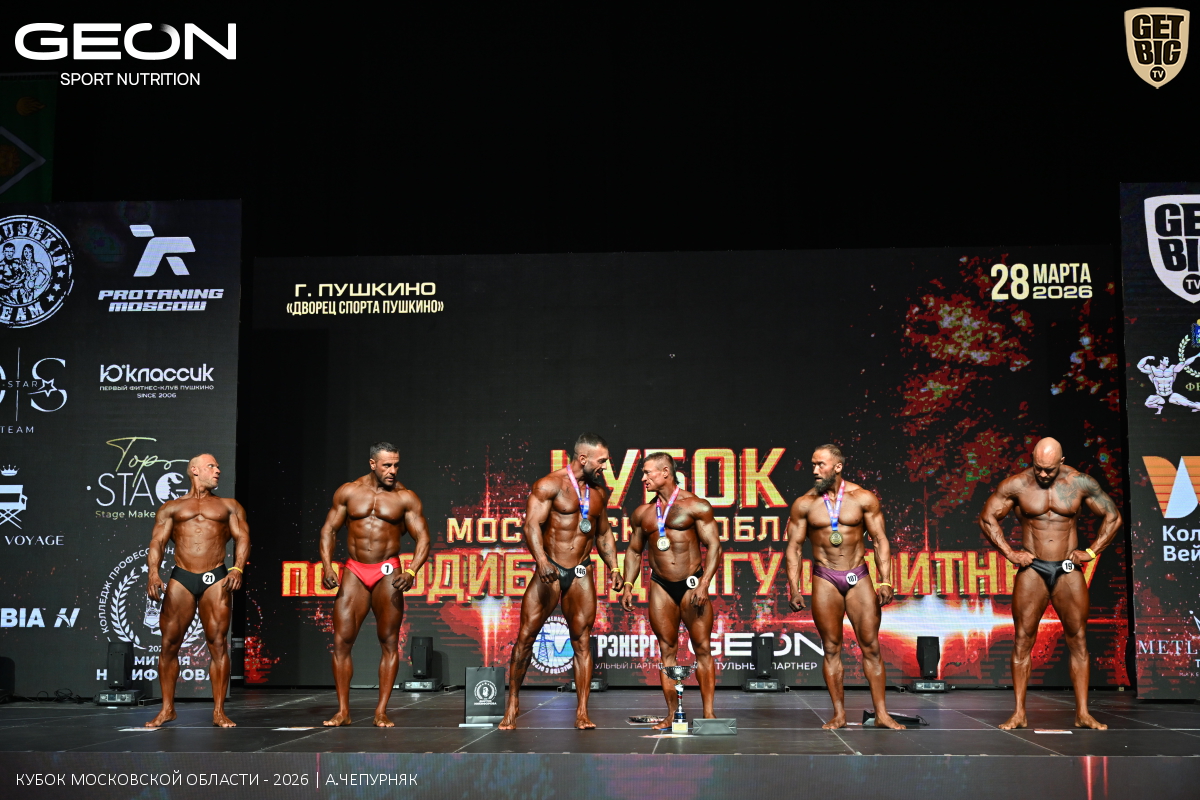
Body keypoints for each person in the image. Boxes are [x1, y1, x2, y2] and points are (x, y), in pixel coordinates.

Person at [978, 437, 1121, 730]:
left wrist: (1092, 551)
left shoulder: (1079, 483)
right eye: (1038, 467)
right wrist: (1010, 553)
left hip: (1068, 569)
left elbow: (1113, 517)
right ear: (1032, 459)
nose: (1043, 474)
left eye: (1049, 469)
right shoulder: (1017, 485)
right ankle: (1019, 713)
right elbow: (987, 517)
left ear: (1061, 461)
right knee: (1022, 640)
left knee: (1078, 639)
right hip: (1033, 569)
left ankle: (1083, 713)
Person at [499, 433, 623, 730]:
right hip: (550, 568)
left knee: (582, 641)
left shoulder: (599, 492)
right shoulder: (549, 485)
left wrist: (614, 567)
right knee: (526, 637)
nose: (605, 467)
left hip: (581, 571)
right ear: (583, 458)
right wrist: (541, 561)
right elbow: (531, 525)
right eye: (601, 461)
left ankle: (582, 712)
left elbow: (603, 532)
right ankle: (512, 702)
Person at [785, 444, 904, 730]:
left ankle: (882, 714)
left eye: (821, 465)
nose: (815, 470)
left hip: (858, 576)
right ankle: (839, 715)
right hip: (825, 577)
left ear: (838, 467)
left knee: (871, 646)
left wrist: (885, 579)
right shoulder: (804, 504)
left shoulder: (863, 498)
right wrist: (794, 587)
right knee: (830, 648)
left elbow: (880, 539)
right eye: (813, 465)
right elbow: (794, 548)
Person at [319, 442, 431, 727]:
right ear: (372, 464)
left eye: (396, 465)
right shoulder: (348, 492)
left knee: (389, 641)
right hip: (354, 569)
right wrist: (327, 565)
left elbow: (423, 538)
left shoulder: (405, 498)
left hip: (387, 570)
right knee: (342, 641)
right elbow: (329, 530)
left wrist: (412, 571)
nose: (393, 470)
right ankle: (343, 711)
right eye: (387, 465)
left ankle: (381, 711)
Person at [144, 454, 249, 728]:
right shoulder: (172, 507)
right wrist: (153, 573)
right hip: (182, 576)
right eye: (211, 466)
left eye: (218, 466)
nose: (218, 470)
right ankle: (167, 709)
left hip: (216, 576)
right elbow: (157, 542)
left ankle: (219, 711)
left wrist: (237, 568)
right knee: (169, 644)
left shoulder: (229, 506)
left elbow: (243, 537)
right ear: (194, 470)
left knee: (218, 644)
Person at [620, 452, 721, 728]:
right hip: (660, 586)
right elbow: (634, 551)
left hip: (692, 584)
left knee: (702, 648)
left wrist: (705, 583)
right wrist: (628, 584)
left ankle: (709, 715)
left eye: (647, 472)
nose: (643, 478)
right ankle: (672, 715)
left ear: (665, 472)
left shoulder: (695, 505)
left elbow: (714, 545)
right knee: (667, 650)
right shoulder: (643, 513)